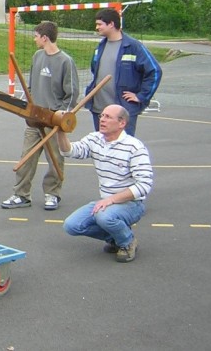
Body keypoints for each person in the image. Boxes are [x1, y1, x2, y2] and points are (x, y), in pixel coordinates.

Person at [57, 104, 153, 263]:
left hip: (131, 203)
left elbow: (144, 185)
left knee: (104, 216)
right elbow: (70, 151)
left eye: (108, 117)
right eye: (102, 116)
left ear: (122, 123)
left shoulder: (134, 147)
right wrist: (60, 130)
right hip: (106, 202)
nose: (102, 119)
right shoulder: (94, 139)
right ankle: (116, 237)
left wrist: (111, 200)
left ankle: (127, 242)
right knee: (71, 225)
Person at [1, 21, 79, 211]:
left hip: (53, 118)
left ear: (45, 38)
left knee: (55, 159)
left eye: (36, 36)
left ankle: (52, 194)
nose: (34, 39)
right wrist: (29, 104)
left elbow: (72, 94)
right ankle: (21, 194)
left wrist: (61, 117)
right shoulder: (37, 56)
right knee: (26, 156)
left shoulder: (65, 61)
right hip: (35, 117)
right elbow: (31, 86)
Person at [85, 8, 162, 136]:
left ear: (111, 24)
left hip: (122, 110)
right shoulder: (100, 47)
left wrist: (141, 96)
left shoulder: (133, 46)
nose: (96, 27)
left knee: (122, 151)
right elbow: (95, 70)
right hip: (100, 109)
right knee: (102, 149)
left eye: (99, 24)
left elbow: (155, 71)